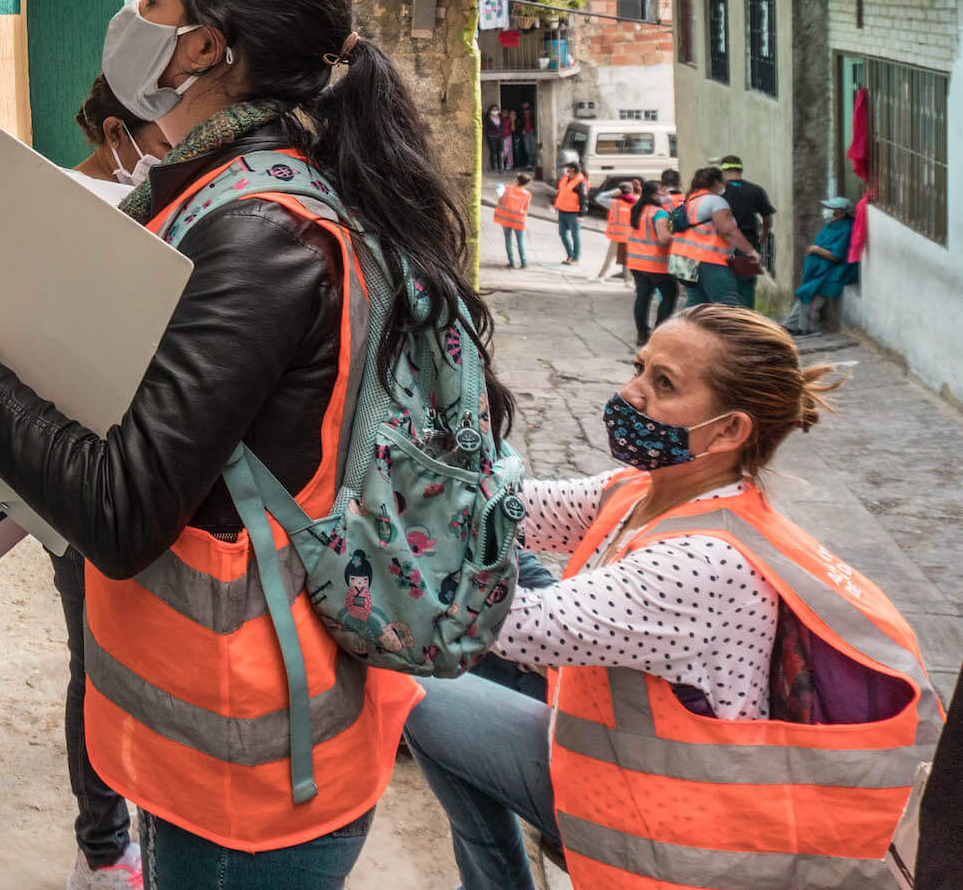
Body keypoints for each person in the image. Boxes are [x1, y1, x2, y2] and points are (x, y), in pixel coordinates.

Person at [0, 0, 514, 888]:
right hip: (210, 735)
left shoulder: (258, 233)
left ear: (202, 46)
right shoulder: (221, 183)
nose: (131, 14)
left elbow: (123, 510)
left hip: (244, 770)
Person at [402, 305, 941, 890]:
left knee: (407, 688)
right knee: (448, 660)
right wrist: (412, 476)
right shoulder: (640, 492)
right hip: (612, 758)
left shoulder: (701, 563)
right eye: (640, 367)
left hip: (670, 832)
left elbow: (496, 622)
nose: (631, 393)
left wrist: (368, 540)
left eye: (664, 385)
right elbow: (506, 509)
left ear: (730, 431)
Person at [27, 75, 177, 890]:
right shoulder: (54, 207)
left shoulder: (177, 205)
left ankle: (147, 836)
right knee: (97, 662)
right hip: (78, 474)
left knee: (155, 666)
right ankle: (104, 847)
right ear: (118, 131)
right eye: (165, 132)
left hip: (157, 472)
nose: (176, 147)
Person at [671, 166, 761, 310]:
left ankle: (683, 331)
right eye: (723, 181)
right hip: (708, 261)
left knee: (697, 305)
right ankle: (729, 332)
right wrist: (751, 251)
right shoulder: (716, 201)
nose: (725, 185)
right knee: (727, 305)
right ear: (717, 182)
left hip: (683, 261)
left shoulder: (690, 201)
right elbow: (728, 230)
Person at [782, 196, 860, 336]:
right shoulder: (831, 226)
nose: (827, 211)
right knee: (804, 293)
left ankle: (810, 328)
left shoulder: (846, 229)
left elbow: (836, 256)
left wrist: (816, 250)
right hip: (822, 269)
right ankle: (790, 325)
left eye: (831, 209)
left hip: (835, 271)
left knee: (810, 294)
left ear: (842, 212)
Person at [716, 154, 777, 309]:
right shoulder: (755, 190)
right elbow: (767, 218)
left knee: (722, 284)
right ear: (740, 170)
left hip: (722, 244)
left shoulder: (718, 192)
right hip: (748, 243)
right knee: (746, 285)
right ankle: (746, 321)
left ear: (723, 171)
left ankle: (727, 319)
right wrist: (763, 235)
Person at [625, 181, 679, 345]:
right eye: (663, 191)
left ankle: (642, 334)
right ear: (654, 195)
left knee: (643, 296)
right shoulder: (659, 213)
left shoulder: (637, 210)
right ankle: (659, 332)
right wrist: (680, 236)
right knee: (670, 295)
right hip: (656, 264)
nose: (666, 194)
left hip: (636, 263)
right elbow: (663, 239)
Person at [594, 178, 636, 283]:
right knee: (628, 258)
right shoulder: (635, 203)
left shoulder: (614, 203)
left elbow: (599, 198)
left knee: (610, 257)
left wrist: (612, 192)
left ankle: (601, 276)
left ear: (619, 191)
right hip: (630, 236)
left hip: (617, 235)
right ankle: (629, 281)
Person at [494, 171, 534, 269]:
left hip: (506, 219)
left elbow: (500, 200)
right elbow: (526, 208)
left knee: (508, 240)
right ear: (525, 183)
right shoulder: (527, 194)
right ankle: (523, 263)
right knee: (520, 242)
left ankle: (511, 262)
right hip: (519, 221)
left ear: (517, 181)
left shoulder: (507, 189)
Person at [552, 163, 587, 264]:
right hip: (562, 211)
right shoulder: (565, 179)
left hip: (574, 213)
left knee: (575, 235)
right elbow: (560, 193)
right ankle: (570, 255)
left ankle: (575, 258)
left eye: (568, 169)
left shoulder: (580, 183)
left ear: (573, 170)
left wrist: (581, 214)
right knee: (562, 234)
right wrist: (554, 204)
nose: (566, 171)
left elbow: (583, 199)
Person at [485, 104, 509, 174]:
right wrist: (489, 134)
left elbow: (503, 127)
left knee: (501, 152)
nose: (495, 111)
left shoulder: (501, 118)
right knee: (493, 152)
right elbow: (486, 128)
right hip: (491, 137)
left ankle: (501, 168)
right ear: (490, 111)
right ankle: (493, 168)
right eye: (493, 110)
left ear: (498, 111)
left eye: (496, 109)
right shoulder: (488, 118)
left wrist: (502, 134)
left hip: (500, 136)